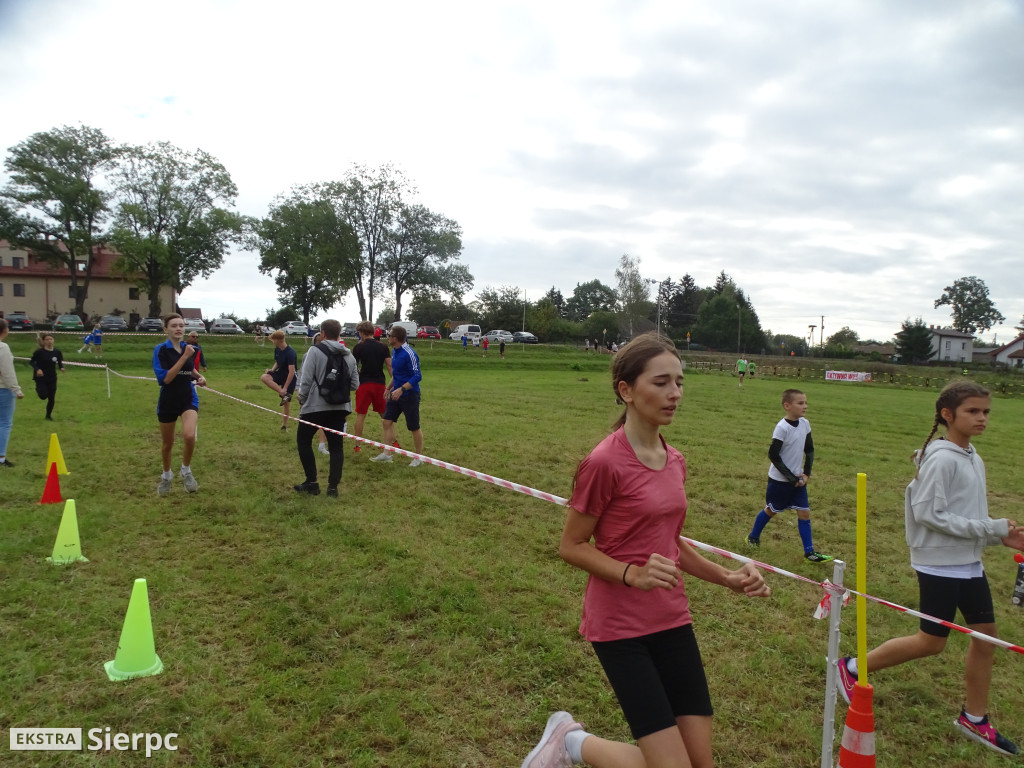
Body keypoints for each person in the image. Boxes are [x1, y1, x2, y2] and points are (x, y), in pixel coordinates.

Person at [522, 333, 771, 768]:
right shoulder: (604, 462)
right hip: (620, 629)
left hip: (672, 619)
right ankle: (571, 743)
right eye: (661, 383)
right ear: (626, 391)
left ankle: (570, 742)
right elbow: (571, 546)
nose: (674, 393)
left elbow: (670, 541)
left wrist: (727, 577)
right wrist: (630, 573)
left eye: (679, 382)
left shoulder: (674, 459)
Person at [837, 381, 1023, 757]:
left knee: (986, 636)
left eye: (986, 411)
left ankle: (975, 717)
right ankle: (852, 667)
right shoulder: (942, 459)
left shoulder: (972, 456)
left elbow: (965, 513)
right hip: (939, 562)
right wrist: (992, 528)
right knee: (931, 642)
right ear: (947, 415)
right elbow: (929, 514)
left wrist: (997, 537)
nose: (982, 418)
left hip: (967, 561)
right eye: (973, 411)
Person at [745, 389, 833, 562]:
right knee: (771, 510)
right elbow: (773, 455)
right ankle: (752, 537)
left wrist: (806, 474)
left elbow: (810, 450)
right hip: (780, 481)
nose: (805, 406)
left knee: (804, 513)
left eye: (805, 403)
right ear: (787, 406)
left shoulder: (805, 424)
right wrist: (791, 478)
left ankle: (810, 552)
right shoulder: (782, 428)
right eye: (800, 403)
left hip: (798, 481)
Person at [293, 319, 357, 497]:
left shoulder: (314, 351)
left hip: (314, 406)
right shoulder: (349, 356)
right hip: (340, 407)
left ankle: (312, 482)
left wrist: (302, 398)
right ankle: (333, 488)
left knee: (303, 442)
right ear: (339, 334)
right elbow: (355, 385)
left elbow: (305, 379)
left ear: (322, 333)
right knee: (337, 447)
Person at [153, 314, 206, 495]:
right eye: (174, 325)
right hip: (168, 400)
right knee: (168, 443)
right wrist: (184, 357)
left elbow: (189, 369)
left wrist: (199, 376)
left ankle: (186, 471)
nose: (179, 329)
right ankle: (166, 476)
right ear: (166, 329)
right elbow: (166, 379)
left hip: (188, 398)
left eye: (181, 325)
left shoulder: (188, 348)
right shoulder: (161, 350)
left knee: (189, 436)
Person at [371, 325, 423, 467]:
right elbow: (397, 374)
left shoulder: (409, 353)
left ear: (396, 338)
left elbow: (417, 376)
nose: (387, 337)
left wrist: (401, 389)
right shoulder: (395, 351)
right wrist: (388, 388)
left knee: (414, 427)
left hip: (410, 395)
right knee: (386, 422)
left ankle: (418, 458)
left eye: (389, 335)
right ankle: (387, 454)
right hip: (395, 394)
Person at [351, 321, 392, 455]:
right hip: (380, 383)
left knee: (361, 415)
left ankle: (357, 445)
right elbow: (389, 366)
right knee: (385, 415)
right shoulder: (383, 346)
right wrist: (395, 382)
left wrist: (358, 375)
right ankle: (393, 442)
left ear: (362, 332)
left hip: (364, 384)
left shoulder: (358, 347)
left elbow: (353, 366)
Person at [260, 330, 297, 431]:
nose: (272, 342)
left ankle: (284, 425)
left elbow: (291, 372)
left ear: (278, 340)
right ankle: (282, 393)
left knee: (286, 404)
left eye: (273, 340)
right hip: (280, 373)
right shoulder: (277, 349)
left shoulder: (290, 353)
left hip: (290, 377)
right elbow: (277, 362)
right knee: (264, 377)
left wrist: (285, 387)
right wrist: (271, 371)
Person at [0, 318, 24, 467]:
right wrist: (16, 389)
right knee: (4, 423)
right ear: (5, 330)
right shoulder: (3, 348)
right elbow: (7, 372)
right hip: (3, 389)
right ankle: (1, 457)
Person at [30, 333, 65, 420]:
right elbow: (31, 362)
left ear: (53, 341)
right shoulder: (39, 352)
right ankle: (38, 389)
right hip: (40, 377)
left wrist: (61, 367)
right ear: (44, 341)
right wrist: (37, 369)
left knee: (51, 398)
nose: (49, 341)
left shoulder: (57, 352)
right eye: (47, 339)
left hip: (52, 377)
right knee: (43, 396)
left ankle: (48, 416)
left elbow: (59, 361)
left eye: (51, 339)